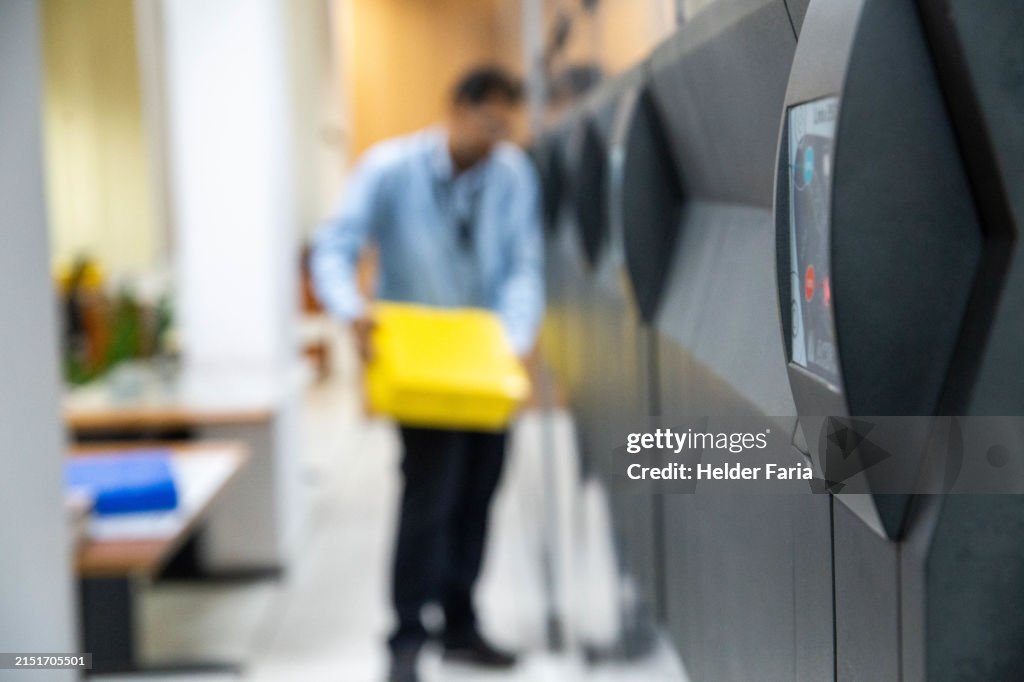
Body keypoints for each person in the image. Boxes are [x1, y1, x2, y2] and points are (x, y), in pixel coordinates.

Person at [311, 65, 544, 682]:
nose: (496, 137)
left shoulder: (513, 176)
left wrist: (518, 339)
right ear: (456, 109)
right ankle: (407, 638)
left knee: (479, 494)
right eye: (488, 122)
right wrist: (350, 309)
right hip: (420, 365)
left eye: (505, 126)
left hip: (487, 362)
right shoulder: (390, 169)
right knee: (428, 499)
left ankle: (461, 626)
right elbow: (334, 246)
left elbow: (525, 266)